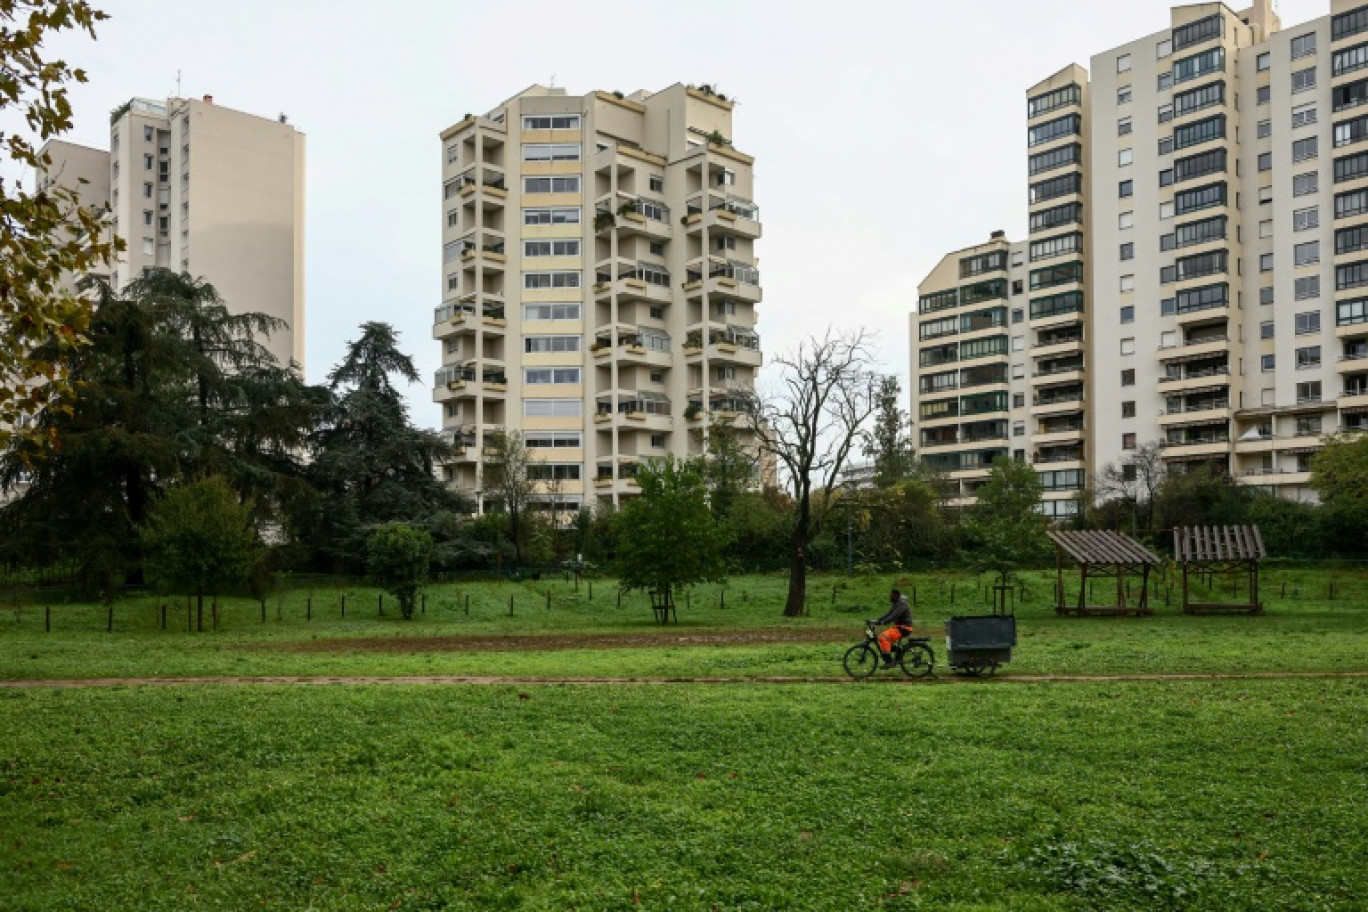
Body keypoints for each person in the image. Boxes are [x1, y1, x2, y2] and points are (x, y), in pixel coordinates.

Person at [871, 589, 914, 668]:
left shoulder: (902, 604)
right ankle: (899, 652)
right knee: (881, 638)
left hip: (904, 628)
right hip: (898, 628)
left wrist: (883, 622)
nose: (889, 597)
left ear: (896, 596)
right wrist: (877, 620)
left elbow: (893, 616)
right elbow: (888, 614)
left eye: (891, 596)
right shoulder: (897, 604)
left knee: (883, 637)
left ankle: (889, 661)